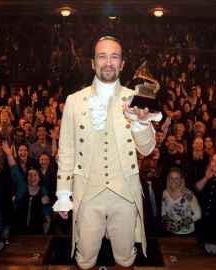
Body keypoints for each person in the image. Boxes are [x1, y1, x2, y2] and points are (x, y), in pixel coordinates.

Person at [52, 36, 160, 270]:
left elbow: (148, 149)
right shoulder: (74, 101)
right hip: (87, 193)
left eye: (114, 57)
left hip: (125, 194)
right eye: (102, 56)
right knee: (85, 258)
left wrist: (141, 124)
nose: (108, 62)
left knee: (125, 257)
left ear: (122, 64)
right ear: (93, 63)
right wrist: (63, 193)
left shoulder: (136, 98)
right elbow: (67, 151)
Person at [161, 167, 201, 235]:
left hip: (187, 233)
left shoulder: (189, 194)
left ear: (181, 180)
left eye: (177, 178)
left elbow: (198, 215)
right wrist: (167, 223)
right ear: (168, 179)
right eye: (171, 178)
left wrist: (180, 223)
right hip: (169, 232)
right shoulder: (165, 193)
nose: (173, 181)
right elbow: (163, 212)